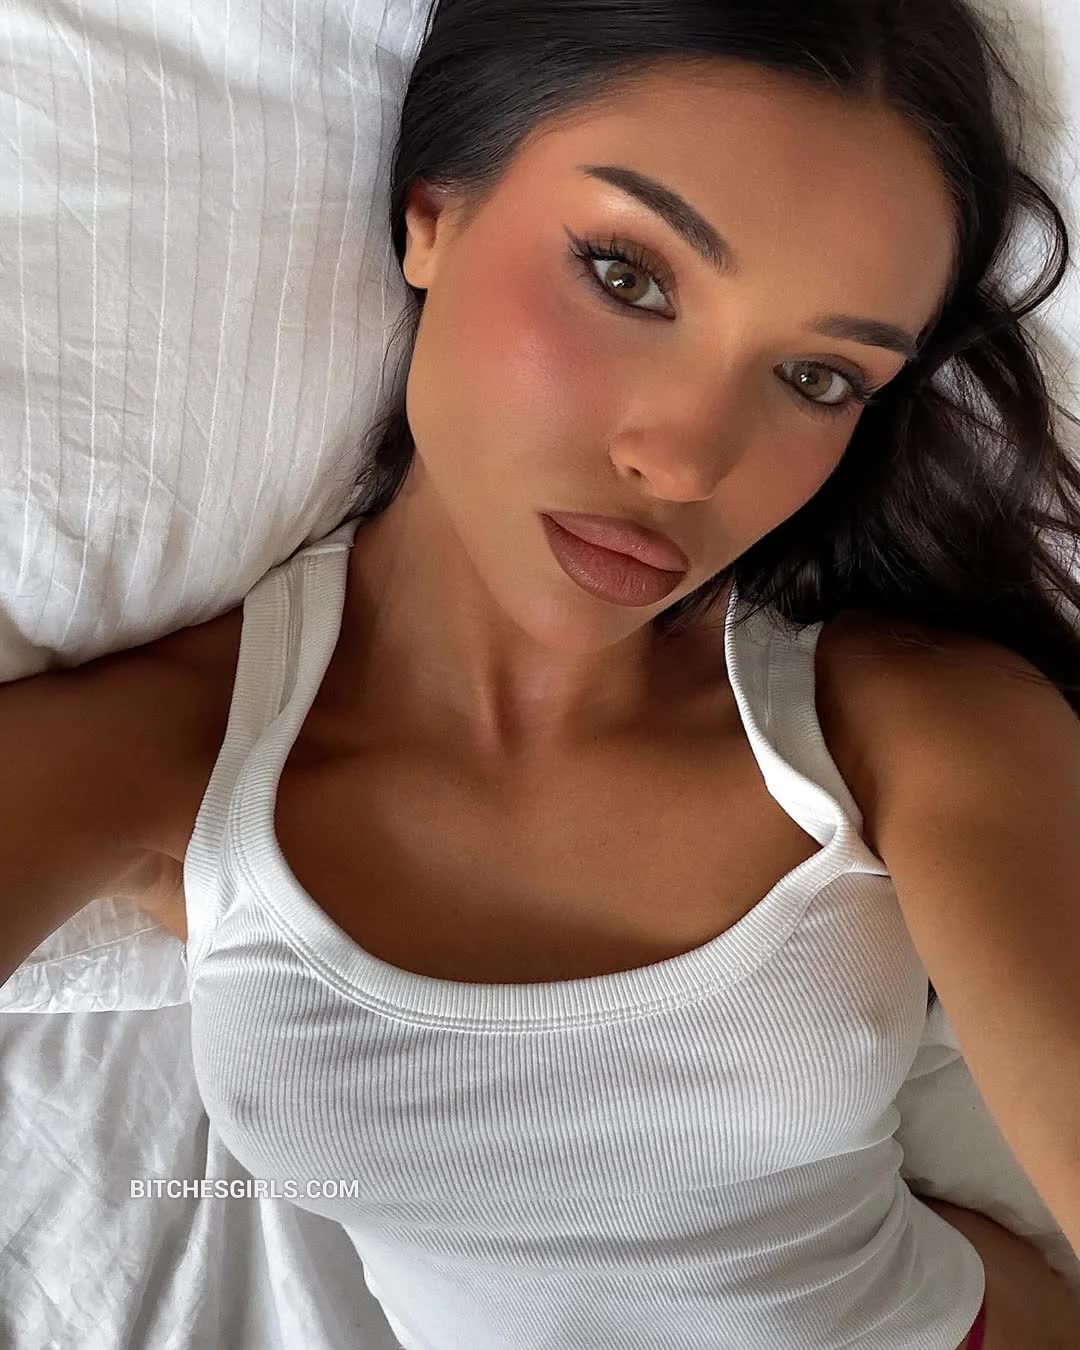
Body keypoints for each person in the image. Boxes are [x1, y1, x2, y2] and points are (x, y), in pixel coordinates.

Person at [3, 0, 1080, 1344]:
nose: (682, 462)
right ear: (432, 215)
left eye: (816, 376)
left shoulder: (904, 729)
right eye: (627, 276)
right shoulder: (173, 752)